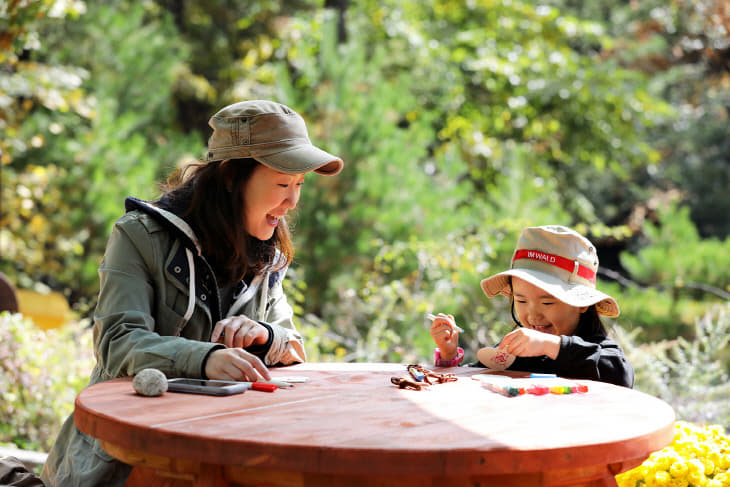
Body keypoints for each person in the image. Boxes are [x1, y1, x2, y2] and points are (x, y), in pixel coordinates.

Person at [40, 100, 344, 487]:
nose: (292, 202)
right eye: (283, 184)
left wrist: (264, 336)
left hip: (233, 458)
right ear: (233, 177)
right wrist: (205, 358)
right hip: (124, 463)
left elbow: (293, 346)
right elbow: (117, 343)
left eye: (299, 185)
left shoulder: (269, 254)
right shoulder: (137, 236)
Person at [429, 225, 634, 388]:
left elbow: (621, 375)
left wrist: (549, 344)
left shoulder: (600, 351)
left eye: (547, 302)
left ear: (582, 305)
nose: (533, 314)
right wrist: (449, 355)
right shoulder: (514, 352)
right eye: (521, 300)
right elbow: (473, 381)